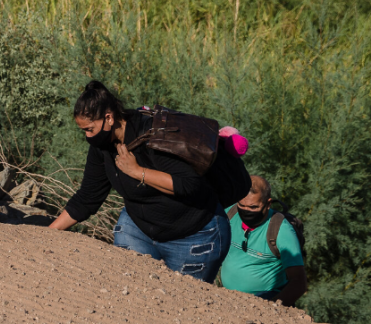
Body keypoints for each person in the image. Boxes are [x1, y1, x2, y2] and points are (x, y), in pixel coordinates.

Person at [49, 81, 231, 282]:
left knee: (179, 306)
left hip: (193, 236)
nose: (87, 136)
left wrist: (137, 172)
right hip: (138, 230)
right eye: (83, 130)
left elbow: (189, 185)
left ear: (108, 118)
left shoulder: (153, 135)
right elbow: (88, 197)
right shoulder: (102, 146)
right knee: (132, 295)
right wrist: (49, 233)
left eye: (90, 129)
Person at [221, 176, 307, 306]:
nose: (246, 211)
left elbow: (298, 282)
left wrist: (270, 308)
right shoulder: (230, 214)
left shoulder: (281, 231)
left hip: (263, 300)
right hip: (226, 298)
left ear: (268, 204)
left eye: (253, 207)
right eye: (241, 205)